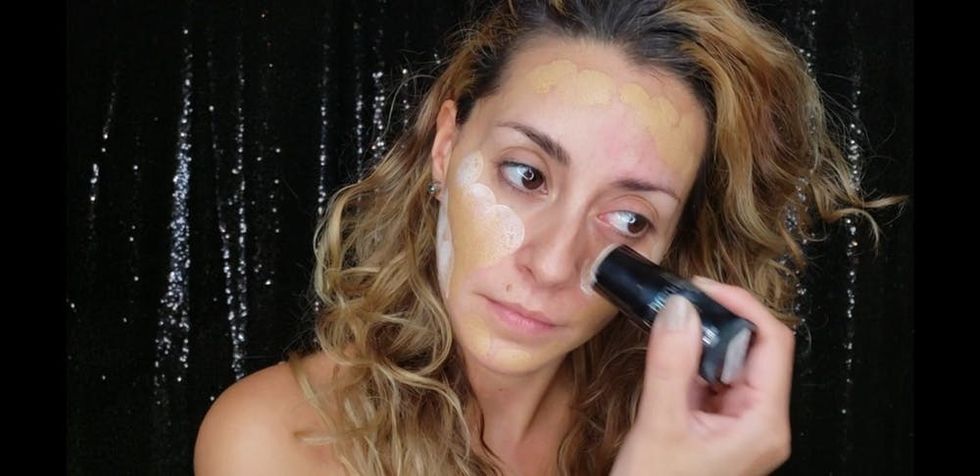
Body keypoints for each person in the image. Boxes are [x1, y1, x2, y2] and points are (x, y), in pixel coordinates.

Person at [194, 0, 894, 474]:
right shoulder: (275, 440)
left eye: (629, 220)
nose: (554, 263)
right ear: (446, 146)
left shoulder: (675, 436)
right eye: (526, 174)